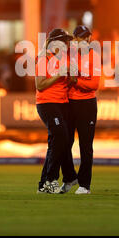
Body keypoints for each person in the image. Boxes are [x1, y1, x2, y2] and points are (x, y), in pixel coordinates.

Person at [35, 28, 77, 194]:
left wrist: (72, 76)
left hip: (63, 103)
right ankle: (51, 180)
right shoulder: (44, 59)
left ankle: (54, 180)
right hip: (47, 103)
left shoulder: (65, 59)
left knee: (60, 141)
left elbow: (70, 83)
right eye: (64, 41)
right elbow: (40, 85)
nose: (67, 44)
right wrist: (59, 75)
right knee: (60, 137)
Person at [60, 25, 100, 195]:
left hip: (87, 104)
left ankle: (85, 185)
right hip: (69, 104)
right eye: (82, 38)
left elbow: (94, 84)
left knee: (86, 146)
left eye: (87, 38)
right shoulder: (67, 55)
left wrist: (76, 81)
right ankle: (69, 178)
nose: (86, 41)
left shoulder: (94, 56)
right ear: (74, 39)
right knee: (64, 144)